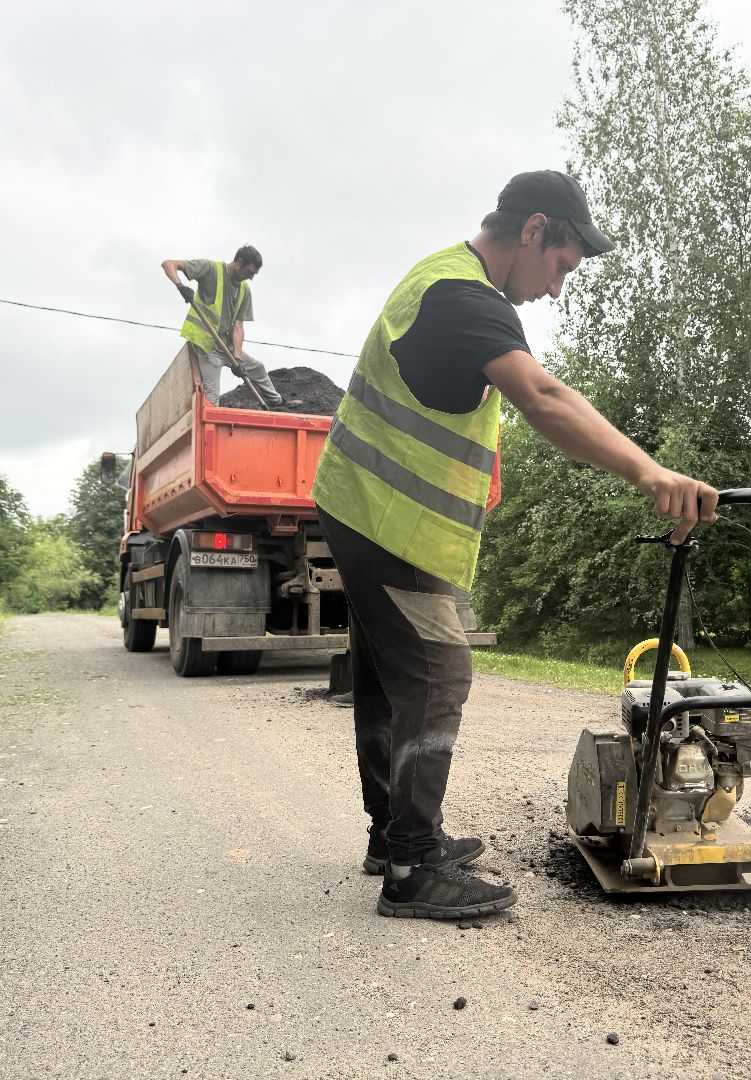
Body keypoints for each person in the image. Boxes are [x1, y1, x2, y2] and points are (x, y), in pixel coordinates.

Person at [310, 169, 720, 921]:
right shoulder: (464, 299)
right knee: (437, 673)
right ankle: (412, 866)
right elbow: (544, 397)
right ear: (534, 230)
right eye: (561, 266)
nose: (557, 288)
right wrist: (649, 472)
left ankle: (392, 837)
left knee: (389, 677)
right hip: (383, 516)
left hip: (366, 507)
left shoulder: (446, 280)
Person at [161, 246, 285, 407]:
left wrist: (238, 359)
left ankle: (278, 403)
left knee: (258, 368)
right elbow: (168, 264)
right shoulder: (210, 269)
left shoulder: (243, 290)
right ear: (239, 262)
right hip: (206, 345)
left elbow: (238, 326)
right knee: (212, 395)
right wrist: (180, 286)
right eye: (250, 272)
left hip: (226, 344)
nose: (251, 278)